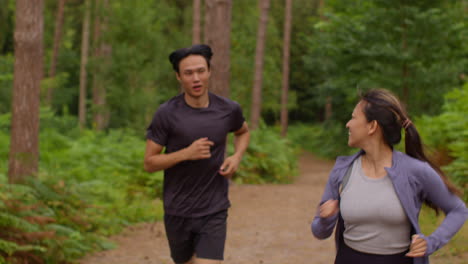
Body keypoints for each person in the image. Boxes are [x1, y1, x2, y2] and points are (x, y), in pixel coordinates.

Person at [311, 89, 467, 264]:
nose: (348, 124)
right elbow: (319, 231)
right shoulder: (343, 170)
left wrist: (431, 242)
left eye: (354, 117)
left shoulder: (415, 171)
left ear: (372, 126)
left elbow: (458, 210)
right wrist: (326, 218)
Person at [144, 44, 250, 264]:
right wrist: (185, 154)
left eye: (201, 71)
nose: (196, 78)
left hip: (214, 208)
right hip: (178, 210)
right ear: (178, 77)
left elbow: (243, 131)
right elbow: (150, 163)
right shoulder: (166, 114)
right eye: (188, 73)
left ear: (209, 72)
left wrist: (236, 156)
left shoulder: (228, 109)